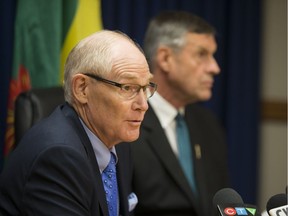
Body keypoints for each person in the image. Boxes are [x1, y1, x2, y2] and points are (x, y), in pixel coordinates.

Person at [0, 30, 157, 215]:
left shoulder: (118, 141)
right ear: (82, 88)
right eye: (128, 88)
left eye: (146, 87)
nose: (143, 105)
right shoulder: (57, 157)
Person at [128, 11, 230, 216]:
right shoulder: (127, 123)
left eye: (213, 55)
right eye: (201, 54)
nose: (215, 67)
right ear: (165, 58)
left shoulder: (208, 124)